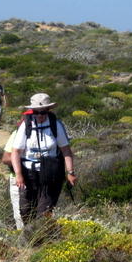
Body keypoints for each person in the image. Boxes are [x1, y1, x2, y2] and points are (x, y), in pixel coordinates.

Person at [11, 93, 77, 224]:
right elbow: (16, 152)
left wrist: (70, 172)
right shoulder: (26, 125)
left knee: (44, 212)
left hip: (51, 174)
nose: (40, 115)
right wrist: (18, 175)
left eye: (43, 112)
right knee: (25, 210)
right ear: (32, 111)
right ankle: (31, 238)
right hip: (28, 174)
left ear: (48, 110)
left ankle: (41, 239)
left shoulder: (55, 125)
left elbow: (66, 150)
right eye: (36, 112)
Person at [2, 110, 33, 230]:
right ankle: (24, 242)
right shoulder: (17, 133)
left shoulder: (47, 132)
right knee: (20, 213)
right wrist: (24, 165)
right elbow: (6, 158)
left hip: (39, 178)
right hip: (18, 179)